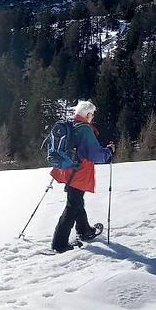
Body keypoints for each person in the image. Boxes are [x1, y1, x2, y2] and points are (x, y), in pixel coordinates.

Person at [51, 100, 114, 253]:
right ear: (87, 114)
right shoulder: (84, 128)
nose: (92, 118)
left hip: (66, 169)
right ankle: (59, 244)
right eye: (92, 115)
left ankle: (84, 230)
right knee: (72, 205)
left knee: (76, 200)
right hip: (79, 172)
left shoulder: (69, 123)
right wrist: (109, 151)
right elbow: (95, 154)